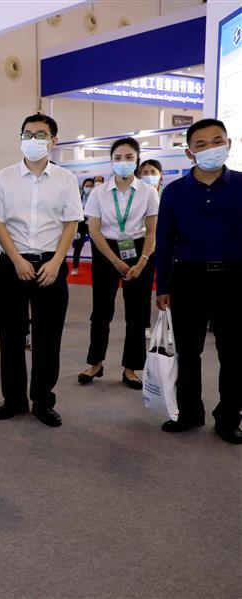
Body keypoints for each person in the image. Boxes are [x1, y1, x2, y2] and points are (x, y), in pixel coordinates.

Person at [0, 113, 84, 428]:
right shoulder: (3, 178)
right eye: (27, 134)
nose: (33, 140)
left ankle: (43, 401)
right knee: (11, 337)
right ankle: (13, 400)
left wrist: (56, 262)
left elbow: (71, 223)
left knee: (47, 339)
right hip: (13, 264)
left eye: (40, 135)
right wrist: (16, 260)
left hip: (50, 266)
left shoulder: (65, 179)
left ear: (53, 140)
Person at [156, 118, 242, 444]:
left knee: (233, 354)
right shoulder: (174, 191)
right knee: (188, 351)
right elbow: (164, 241)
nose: (210, 149)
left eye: (217, 141)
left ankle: (229, 418)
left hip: (234, 278)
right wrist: (162, 286)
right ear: (189, 152)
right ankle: (189, 412)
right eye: (201, 144)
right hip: (188, 279)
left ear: (228, 144)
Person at [77, 137, 158, 390]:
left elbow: (152, 232)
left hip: (139, 250)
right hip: (106, 250)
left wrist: (142, 262)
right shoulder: (99, 192)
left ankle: (130, 368)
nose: (123, 162)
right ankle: (96, 363)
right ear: (111, 161)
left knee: (137, 313)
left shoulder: (148, 192)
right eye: (118, 158)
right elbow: (94, 231)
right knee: (101, 312)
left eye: (129, 157)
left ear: (137, 160)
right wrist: (115, 261)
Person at [72, 177, 95, 275]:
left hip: (93, 223)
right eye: (87, 186)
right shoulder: (78, 197)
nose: (89, 188)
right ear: (83, 186)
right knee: (78, 246)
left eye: (91, 186)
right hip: (80, 224)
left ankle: (96, 267)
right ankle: (75, 268)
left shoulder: (96, 197)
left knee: (96, 246)